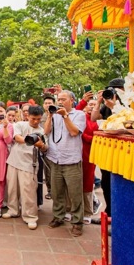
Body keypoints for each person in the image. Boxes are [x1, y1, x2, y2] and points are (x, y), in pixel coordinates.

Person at [44, 89, 87, 237]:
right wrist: (50, 116)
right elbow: (46, 131)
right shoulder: (54, 115)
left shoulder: (79, 115)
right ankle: (58, 217)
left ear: (72, 101)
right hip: (55, 158)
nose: (60, 102)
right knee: (56, 192)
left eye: (63, 99)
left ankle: (77, 223)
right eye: (58, 99)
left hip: (71, 160)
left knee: (75, 194)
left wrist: (66, 117)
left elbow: (74, 132)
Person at [5, 105, 47, 229]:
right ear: (27, 116)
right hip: (14, 160)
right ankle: (13, 210)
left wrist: (41, 145)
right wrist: (29, 140)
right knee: (12, 188)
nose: (36, 121)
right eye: (33, 118)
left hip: (30, 163)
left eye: (38, 119)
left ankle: (30, 216)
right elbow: (16, 138)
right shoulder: (20, 125)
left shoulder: (42, 131)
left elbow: (46, 148)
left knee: (28, 191)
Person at [90, 78, 125, 224]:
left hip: (122, 151)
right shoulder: (106, 105)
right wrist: (98, 102)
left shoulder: (130, 104)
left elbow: (128, 120)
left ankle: (119, 220)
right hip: (107, 150)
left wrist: (115, 105)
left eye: (116, 90)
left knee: (119, 186)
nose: (113, 93)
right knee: (106, 183)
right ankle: (109, 214)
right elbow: (93, 118)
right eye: (111, 90)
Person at [78, 92, 101, 224]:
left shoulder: (98, 122)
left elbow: (98, 137)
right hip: (76, 154)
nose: (92, 107)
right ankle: (72, 210)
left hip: (90, 155)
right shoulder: (80, 117)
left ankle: (88, 211)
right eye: (90, 104)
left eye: (95, 105)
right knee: (75, 183)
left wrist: (86, 137)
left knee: (88, 183)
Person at [39, 93, 56, 203]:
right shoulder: (41, 116)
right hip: (43, 145)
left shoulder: (57, 114)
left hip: (55, 146)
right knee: (47, 170)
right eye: (45, 103)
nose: (47, 105)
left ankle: (55, 190)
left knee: (54, 170)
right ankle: (50, 190)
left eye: (50, 103)